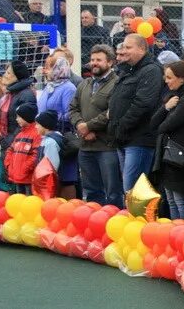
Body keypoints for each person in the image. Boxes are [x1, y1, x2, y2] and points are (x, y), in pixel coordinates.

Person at [107, 34, 165, 192]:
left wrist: (121, 126)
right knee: (128, 189)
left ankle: (137, 218)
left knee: (133, 190)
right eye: (123, 47)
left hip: (139, 140)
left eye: (128, 47)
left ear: (142, 49)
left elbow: (143, 103)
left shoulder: (151, 71)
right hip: (124, 138)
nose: (123, 51)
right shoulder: (128, 70)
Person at [69, 44, 122, 207]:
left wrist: (90, 127)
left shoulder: (118, 83)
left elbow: (113, 111)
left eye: (99, 60)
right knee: (91, 192)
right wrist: (80, 126)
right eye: (92, 60)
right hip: (85, 148)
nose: (94, 63)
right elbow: (73, 108)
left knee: (113, 193)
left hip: (107, 148)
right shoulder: (84, 84)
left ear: (110, 62)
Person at [150, 60, 184, 221]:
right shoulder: (173, 97)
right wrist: (166, 107)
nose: (166, 81)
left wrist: (168, 111)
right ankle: (174, 230)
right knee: (171, 199)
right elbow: (154, 123)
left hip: (179, 156)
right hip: (168, 154)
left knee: (180, 200)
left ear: (181, 78)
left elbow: (164, 126)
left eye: (170, 77)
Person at [37, 56, 78, 198]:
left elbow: (69, 113)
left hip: (62, 138)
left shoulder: (69, 88)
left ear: (57, 69)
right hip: (46, 136)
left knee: (65, 178)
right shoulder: (48, 87)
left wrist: (49, 118)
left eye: (48, 67)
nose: (44, 70)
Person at [0, 61, 37, 155]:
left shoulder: (26, 95)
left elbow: (24, 123)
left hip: (17, 147)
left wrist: (8, 141)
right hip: (8, 144)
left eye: (8, 73)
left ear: (18, 77)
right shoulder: (11, 93)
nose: (4, 75)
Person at [4, 103, 40, 194]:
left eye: (19, 117)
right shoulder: (20, 134)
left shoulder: (36, 134)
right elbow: (10, 150)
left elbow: (36, 154)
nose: (16, 119)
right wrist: (9, 165)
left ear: (27, 117)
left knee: (28, 203)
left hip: (28, 179)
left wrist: (25, 168)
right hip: (17, 177)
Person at [35, 110, 62, 190]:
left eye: (37, 124)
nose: (35, 127)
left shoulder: (50, 142)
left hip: (48, 183)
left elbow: (52, 166)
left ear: (45, 126)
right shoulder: (45, 140)